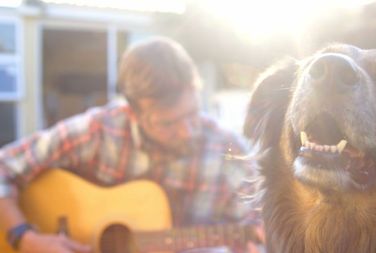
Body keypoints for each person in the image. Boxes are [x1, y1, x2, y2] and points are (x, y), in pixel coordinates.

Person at [0, 37, 261, 253]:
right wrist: (25, 238)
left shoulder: (229, 150)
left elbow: (258, 219)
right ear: (133, 113)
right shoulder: (98, 131)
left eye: (193, 113)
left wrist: (253, 240)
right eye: (167, 123)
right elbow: (4, 167)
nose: (187, 131)